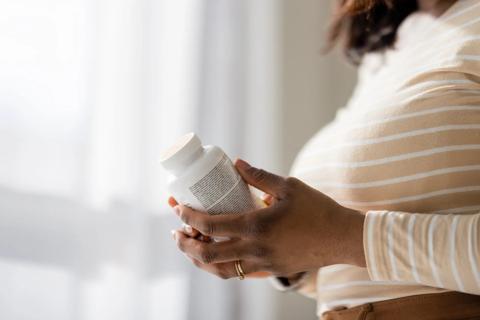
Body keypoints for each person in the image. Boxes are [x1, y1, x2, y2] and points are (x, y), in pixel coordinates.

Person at [169, 0, 480, 318]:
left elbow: (349, 238)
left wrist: (340, 236)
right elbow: (374, 268)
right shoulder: (392, 45)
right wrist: (281, 254)